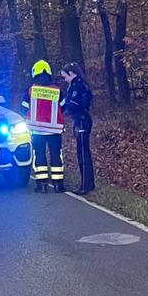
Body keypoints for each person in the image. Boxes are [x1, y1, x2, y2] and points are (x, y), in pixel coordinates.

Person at [22, 58, 65, 193]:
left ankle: (42, 184)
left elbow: (24, 108)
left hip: (37, 130)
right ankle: (58, 185)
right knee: (56, 155)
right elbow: (63, 107)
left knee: (39, 156)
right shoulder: (57, 90)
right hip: (55, 131)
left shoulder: (30, 91)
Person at [61, 62, 95, 194]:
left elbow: (74, 105)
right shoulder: (78, 85)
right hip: (81, 120)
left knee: (83, 153)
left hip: (81, 121)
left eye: (65, 77)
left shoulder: (77, 87)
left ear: (72, 73)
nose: (65, 80)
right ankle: (88, 183)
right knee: (82, 152)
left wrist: (62, 105)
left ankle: (86, 186)